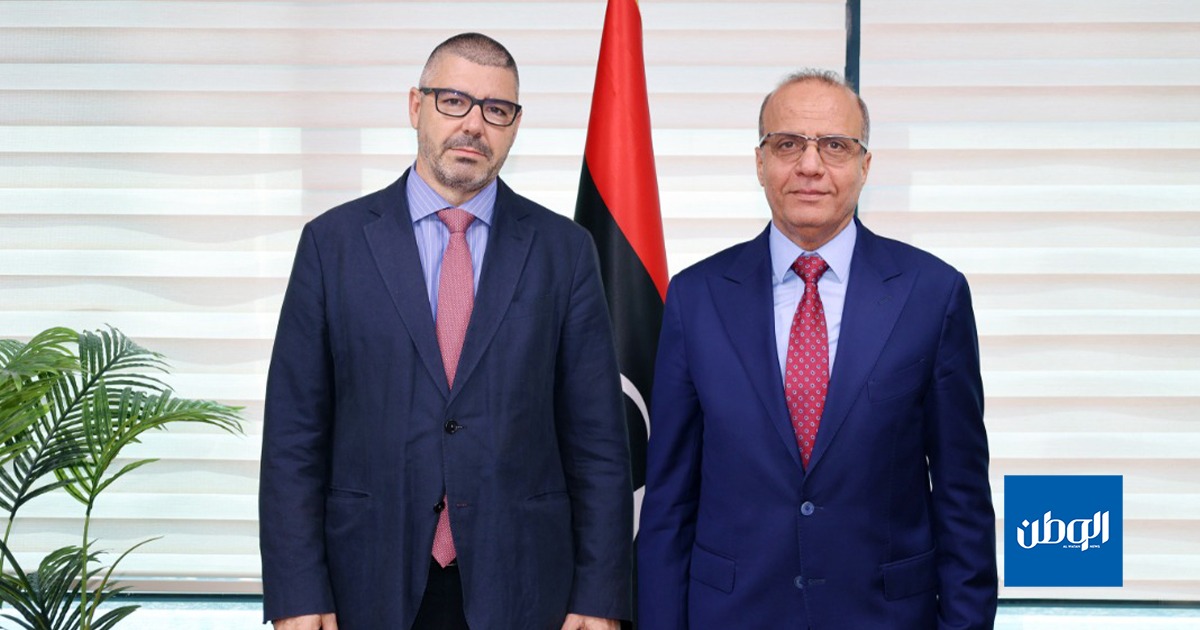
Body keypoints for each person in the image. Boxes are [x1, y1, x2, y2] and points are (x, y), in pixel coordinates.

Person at [259, 32, 632, 630]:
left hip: (525, 585)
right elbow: (293, 437)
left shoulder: (564, 251)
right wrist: (298, 593)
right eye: (454, 101)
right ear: (416, 106)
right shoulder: (333, 245)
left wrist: (599, 596)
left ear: (514, 125)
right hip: (365, 583)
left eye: (496, 109)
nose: (473, 125)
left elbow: (598, 444)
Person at [637, 70, 998, 629]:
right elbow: (669, 499)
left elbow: (962, 497)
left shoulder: (933, 294)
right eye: (788, 144)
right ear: (760, 163)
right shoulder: (696, 297)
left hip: (884, 617)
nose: (810, 165)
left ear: (865, 165)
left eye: (835, 146)